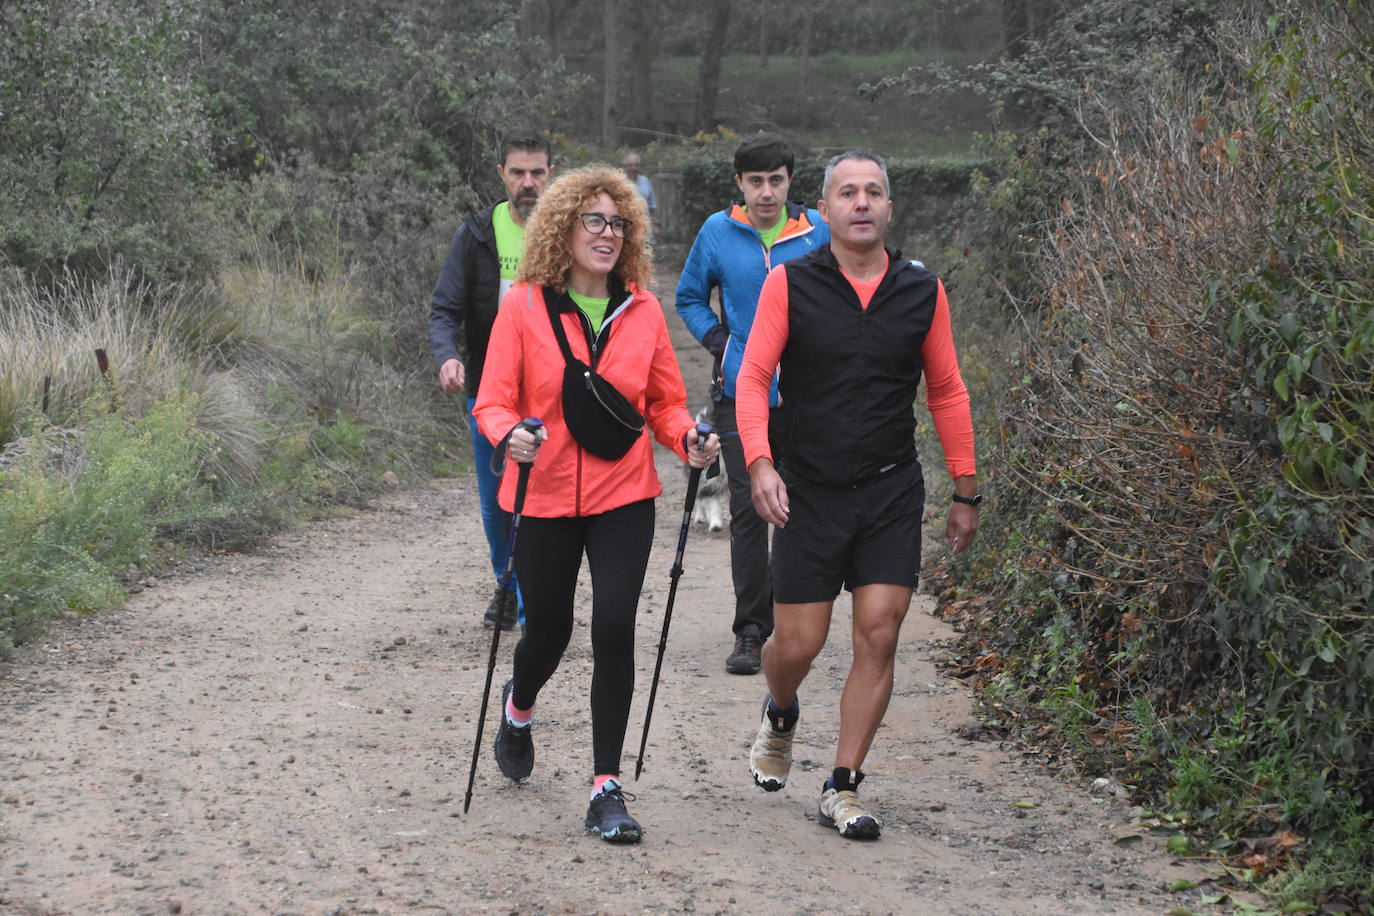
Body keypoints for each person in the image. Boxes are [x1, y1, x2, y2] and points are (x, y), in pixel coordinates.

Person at [736, 150, 980, 840]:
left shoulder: (921, 291)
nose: (863, 203)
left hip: (888, 490)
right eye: (849, 192)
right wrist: (760, 464)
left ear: (890, 209)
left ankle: (842, 786)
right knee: (797, 644)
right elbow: (755, 380)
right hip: (808, 491)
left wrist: (967, 490)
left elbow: (947, 390)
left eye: (875, 191)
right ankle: (780, 710)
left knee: (880, 632)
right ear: (826, 209)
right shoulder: (792, 284)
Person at [474, 165, 720, 843]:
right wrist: (509, 433)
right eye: (595, 220)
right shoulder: (523, 306)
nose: (608, 233)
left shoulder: (641, 309)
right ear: (564, 228)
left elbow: (664, 403)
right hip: (544, 493)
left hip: (622, 494)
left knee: (614, 624)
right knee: (548, 629)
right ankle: (519, 711)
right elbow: (492, 400)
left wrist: (689, 439)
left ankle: (605, 786)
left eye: (619, 222)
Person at [674, 133, 829, 675]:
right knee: (748, 509)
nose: (766, 192)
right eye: (755, 181)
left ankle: (796, 622)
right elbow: (689, 295)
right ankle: (750, 629)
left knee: (801, 506)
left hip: (811, 396)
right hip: (741, 392)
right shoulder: (718, 232)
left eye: (776, 180)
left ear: (790, 180)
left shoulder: (818, 233)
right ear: (739, 183)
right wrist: (719, 342)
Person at [428, 129, 554, 630]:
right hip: (488, 388)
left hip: (550, 393)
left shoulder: (569, 233)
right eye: (518, 172)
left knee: (546, 499)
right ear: (501, 174)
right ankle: (510, 584)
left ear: (551, 174)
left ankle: (533, 603)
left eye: (538, 172)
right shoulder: (477, 233)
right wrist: (446, 357)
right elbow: (444, 310)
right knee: (496, 501)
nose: (528, 183)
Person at [621, 153, 657, 230]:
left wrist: (655, 224)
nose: (634, 168)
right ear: (625, 167)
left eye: (636, 165)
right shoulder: (620, 182)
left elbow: (652, 205)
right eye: (630, 165)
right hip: (626, 224)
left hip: (644, 224)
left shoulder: (645, 181)